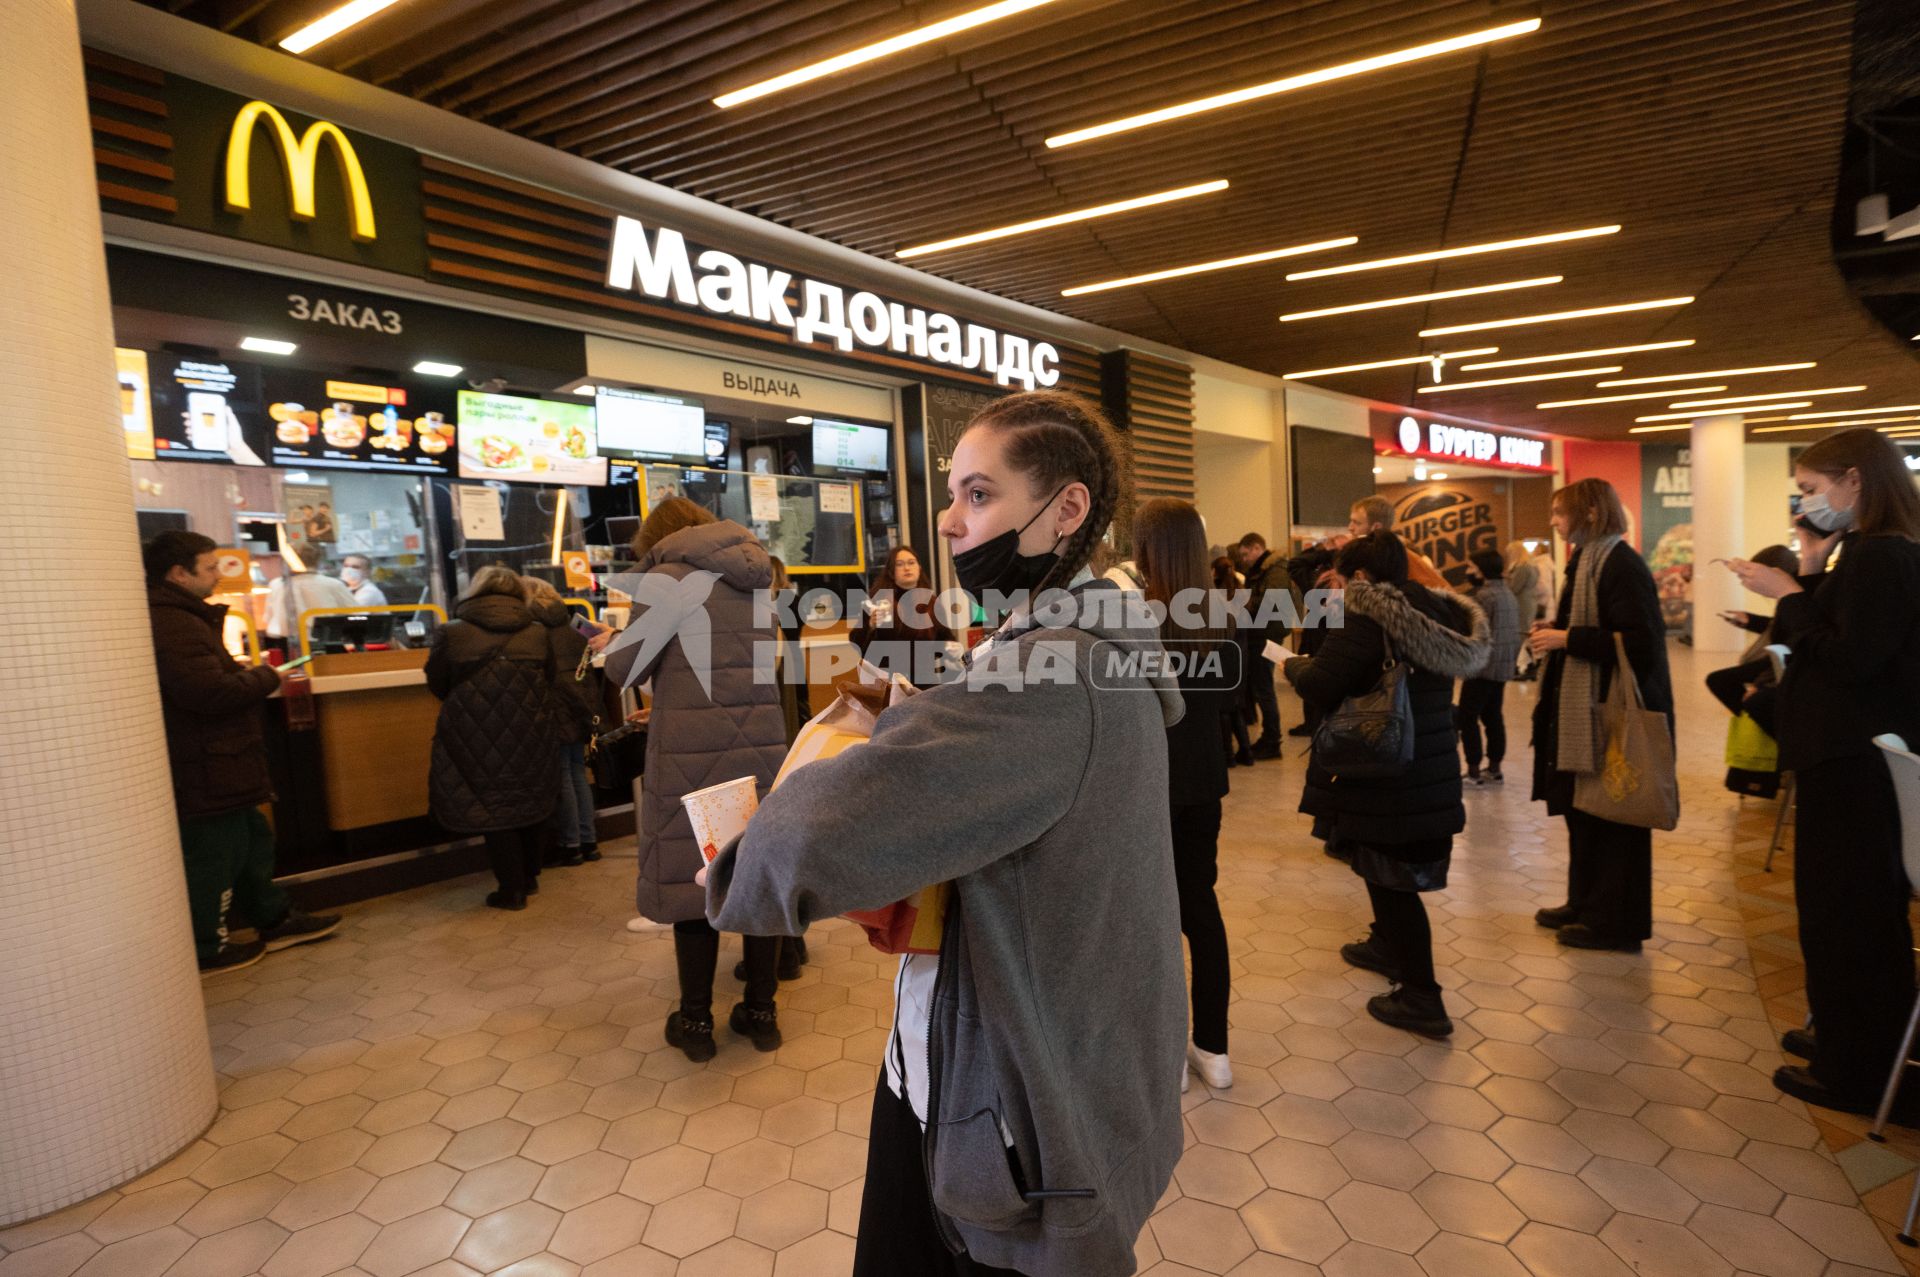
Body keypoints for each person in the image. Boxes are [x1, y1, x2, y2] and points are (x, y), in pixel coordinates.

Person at [703, 390, 1186, 1277]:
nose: (952, 522)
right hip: (1034, 1062)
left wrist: (736, 861)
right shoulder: (1093, 637)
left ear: (1066, 510)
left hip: (1011, 1116)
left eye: (979, 494)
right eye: (951, 497)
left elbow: (822, 833)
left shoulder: (1053, 672)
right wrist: (919, 714)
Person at [1728, 428, 1920, 1115]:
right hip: (1847, 764)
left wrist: (1789, 590)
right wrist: (1810, 568)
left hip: (1856, 769)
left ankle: (1861, 1071)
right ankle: (1851, 1043)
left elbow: (1848, 658)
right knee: (1844, 917)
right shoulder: (1867, 554)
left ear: (1856, 481)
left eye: (1813, 488)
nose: (1807, 500)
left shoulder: (1883, 557)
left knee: (1850, 920)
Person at [599, 498, 790, 1059]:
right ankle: (761, 1012)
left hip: (690, 753)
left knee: (694, 883)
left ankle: (696, 1024)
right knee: (753, 874)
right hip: (757, 747)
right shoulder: (756, 576)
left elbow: (623, 669)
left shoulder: (667, 580)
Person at [1285, 532, 1488, 1036]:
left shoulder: (1368, 614)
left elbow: (1324, 681)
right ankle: (1386, 949)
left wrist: (1292, 665)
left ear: (1358, 577)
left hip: (1387, 773)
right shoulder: (1435, 612)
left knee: (1393, 882)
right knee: (1386, 873)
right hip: (1428, 767)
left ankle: (1422, 996)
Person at [144, 531, 340, 975]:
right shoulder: (174, 622)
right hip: (206, 761)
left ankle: (273, 918)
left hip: (221, 758)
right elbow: (206, 692)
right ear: (179, 573)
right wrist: (265, 678)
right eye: (210, 567)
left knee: (251, 838)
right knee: (216, 852)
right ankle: (206, 946)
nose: (218, 574)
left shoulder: (184, 616)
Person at [1528, 479, 1672, 953]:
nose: (1553, 521)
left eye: (1559, 511)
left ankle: (1616, 922)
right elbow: (1594, 627)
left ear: (1590, 513)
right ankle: (1585, 903)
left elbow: (1640, 643)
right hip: (1584, 709)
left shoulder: (1619, 564)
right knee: (1584, 812)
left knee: (1615, 818)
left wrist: (1567, 639)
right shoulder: (1588, 560)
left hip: (1609, 713)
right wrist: (1560, 630)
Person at [1139, 499, 1241, 1090]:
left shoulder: (1136, 616)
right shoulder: (1221, 615)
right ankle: (1215, 1050)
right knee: (1201, 910)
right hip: (1205, 783)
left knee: (1153, 920)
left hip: (1152, 786)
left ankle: (1170, 1058)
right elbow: (1229, 703)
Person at [425, 565, 569, 911]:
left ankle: (511, 889)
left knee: (493, 806)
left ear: (476, 593)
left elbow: (437, 682)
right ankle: (530, 877)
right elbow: (549, 678)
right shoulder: (537, 632)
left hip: (473, 733)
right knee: (531, 797)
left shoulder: (452, 632)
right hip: (532, 729)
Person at [521, 577, 600, 867]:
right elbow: (601, 648)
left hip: (553, 706)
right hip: (582, 704)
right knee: (578, 773)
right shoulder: (578, 622)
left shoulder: (530, 630)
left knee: (563, 775)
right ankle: (589, 841)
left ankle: (571, 844)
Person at [1703, 544, 1799, 735]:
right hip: (1777, 662)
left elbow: (1791, 636)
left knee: (1723, 683)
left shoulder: (1794, 598)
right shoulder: (1789, 598)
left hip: (1781, 663)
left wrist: (1761, 683)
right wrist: (1750, 621)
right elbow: (1782, 628)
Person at [851, 544, 955, 688]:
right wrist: (870, 626)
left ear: (919, 568)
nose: (907, 568)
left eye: (911, 563)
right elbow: (856, 642)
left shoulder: (931, 602)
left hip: (924, 680)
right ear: (892, 572)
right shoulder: (878, 600)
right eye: (900, 564)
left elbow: (945, 639)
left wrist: (950, 648)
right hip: (889, 681)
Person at [1457, 548, 1521, 784]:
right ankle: (1494, 767)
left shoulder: (1484, 596)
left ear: (1481, 570)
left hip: (1483, 666)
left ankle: (1473, 770)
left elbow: (1475, 631)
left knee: (1467, 716)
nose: (1467, 572)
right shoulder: (1508, 593)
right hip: (1503, 664)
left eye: (1470, 567)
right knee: (1493, 716)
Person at [1234, 531, 1290, 755]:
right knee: (1262, 688)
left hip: (1265, 636)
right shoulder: (1265, 570)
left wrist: (1241, 601)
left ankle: (1272, 740)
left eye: (1246, 554)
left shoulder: (1274, 571)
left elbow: (1270, 603)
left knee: (1264, 689)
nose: (1245, 559)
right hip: (1262, 634)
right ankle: (1270, 738)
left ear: (1257, 548)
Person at [1348, 495, 1448, 588]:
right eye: (1351, 521)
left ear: (1377, 528)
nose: (1350, 528)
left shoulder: (1404, 559)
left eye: (1357, 523)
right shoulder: (1373, 557)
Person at [1214, 555, 1254, 766]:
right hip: (1241, 654)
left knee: (1223, 708)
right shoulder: (1242, 595)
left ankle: (1228, 755)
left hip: (1224, 655)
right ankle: (1246, 752)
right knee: (1236, 706)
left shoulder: (1216, 598)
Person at [263, 566, 358, 641]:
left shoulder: (276, 584)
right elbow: (357, 615)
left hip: (285, 643)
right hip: (326, 643)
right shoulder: (333, 584)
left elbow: (268, 618)